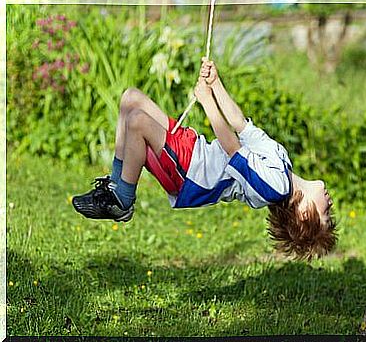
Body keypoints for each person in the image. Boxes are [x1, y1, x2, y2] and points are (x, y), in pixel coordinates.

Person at [73, 59, 336, 259]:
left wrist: (208, 102)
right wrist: (215, 83)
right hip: (194, 151)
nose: (330, 203)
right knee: (131, 99)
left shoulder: (273, 188)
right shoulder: (282, 165)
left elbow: (233, 149)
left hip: (191, 173)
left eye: (326, 213)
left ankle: (121, 199)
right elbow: (240, 125)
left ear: (304, 213)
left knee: (138, 121)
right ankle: (115, 187)